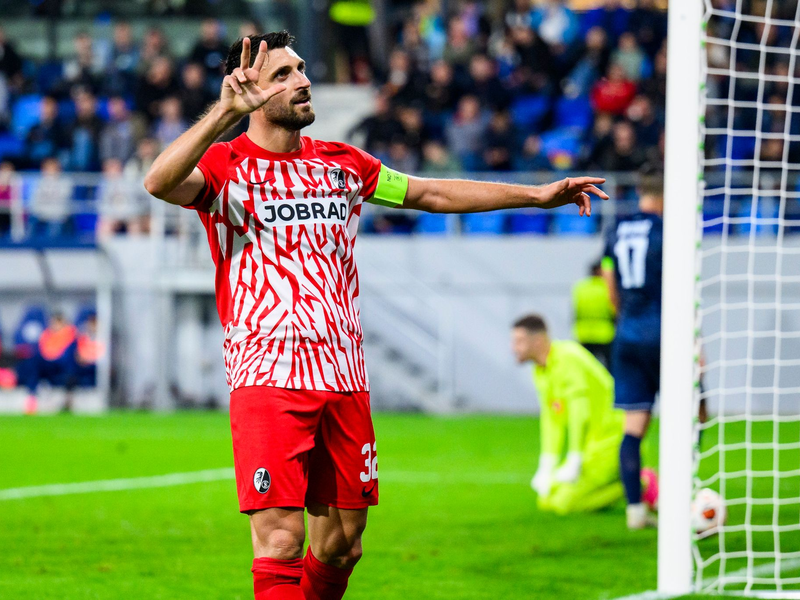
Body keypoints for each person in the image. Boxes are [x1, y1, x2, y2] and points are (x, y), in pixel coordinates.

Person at [143, 30, 607, 600]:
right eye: (283, 75)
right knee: (282, 542)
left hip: (343, 375)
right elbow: (159, 182)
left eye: (302, 69)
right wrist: (222, 114)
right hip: (266, 375)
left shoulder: (343, 164)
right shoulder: (225, 166)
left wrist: (536, 196)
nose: (303, 81)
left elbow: (430, 194)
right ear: (251, 92)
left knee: (343, 542)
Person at [511, 314, 624, 515]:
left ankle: (638, 482)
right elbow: (551, 419)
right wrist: (547, 464)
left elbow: (579, 413)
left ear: (537, 341)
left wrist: (574, 457)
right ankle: (623, 482)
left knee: (564, 505)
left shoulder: (568, 358)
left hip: (610, 440)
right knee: (546, 498)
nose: (513, 348)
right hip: (591, 444)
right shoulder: (541, 370)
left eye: (519, 341)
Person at [601, 165, 663, 530]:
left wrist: (626, 318)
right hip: (664, 330)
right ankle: (680, 494)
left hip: (627, 332)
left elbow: (610, 283)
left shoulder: (616, 229)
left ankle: (635, 511)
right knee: (693, 414)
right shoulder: (667, 230)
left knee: (633, 425)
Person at [572, 260, 616, 368]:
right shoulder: (607, 288)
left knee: (586, 368)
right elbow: (614, 309)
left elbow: (576, 311)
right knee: (609, 369)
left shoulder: (580, 287)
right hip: (605, 334)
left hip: (583, 334)